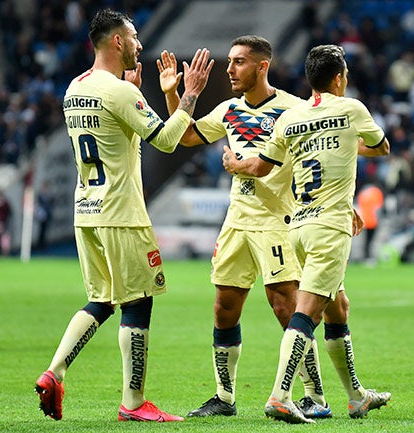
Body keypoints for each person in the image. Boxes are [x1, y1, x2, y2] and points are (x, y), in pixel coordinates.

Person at [34, 8, 213, 423]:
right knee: (137, 302)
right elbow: (168, 141)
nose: (139, 44)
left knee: (101, 299)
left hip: (87, 210)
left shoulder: (75, 88)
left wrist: (136, 95)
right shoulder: (117, 92)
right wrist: (191, 93)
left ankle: (54, 371)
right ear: (117, 41)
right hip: (121, 213)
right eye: (133, 38)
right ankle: (133, 404)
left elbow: (120, 140)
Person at [157, 35, 330, 419]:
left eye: (238, 62)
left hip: (277, 221)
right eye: (230, 61)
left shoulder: (293, 109)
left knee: (285, 307)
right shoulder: (229, 109)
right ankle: (225, 397)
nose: (230, 69)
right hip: (237, 220)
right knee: (224, 307)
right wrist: (175, 95)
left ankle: (315, 396)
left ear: (261, 66)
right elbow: (184, 135)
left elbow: (322, 156)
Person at [222, 44, 391, 423]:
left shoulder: (292, 117)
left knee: (338, 306)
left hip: (297, 226)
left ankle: (356, 396)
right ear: (339, 78)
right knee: (308, 311)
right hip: (330, 227)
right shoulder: (352, 109)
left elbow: (263, 166)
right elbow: (381, 148)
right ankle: (281, 395)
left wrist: (235, 163)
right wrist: (347, 144)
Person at [356, 183, 384, 261]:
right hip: (373, 221)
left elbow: (359, 206)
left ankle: (365, 257)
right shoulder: (377, 193)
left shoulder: (363, 193)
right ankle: (369, 257)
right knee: (371, 241)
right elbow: (379, 208)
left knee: (366, 241)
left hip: (364, 221)